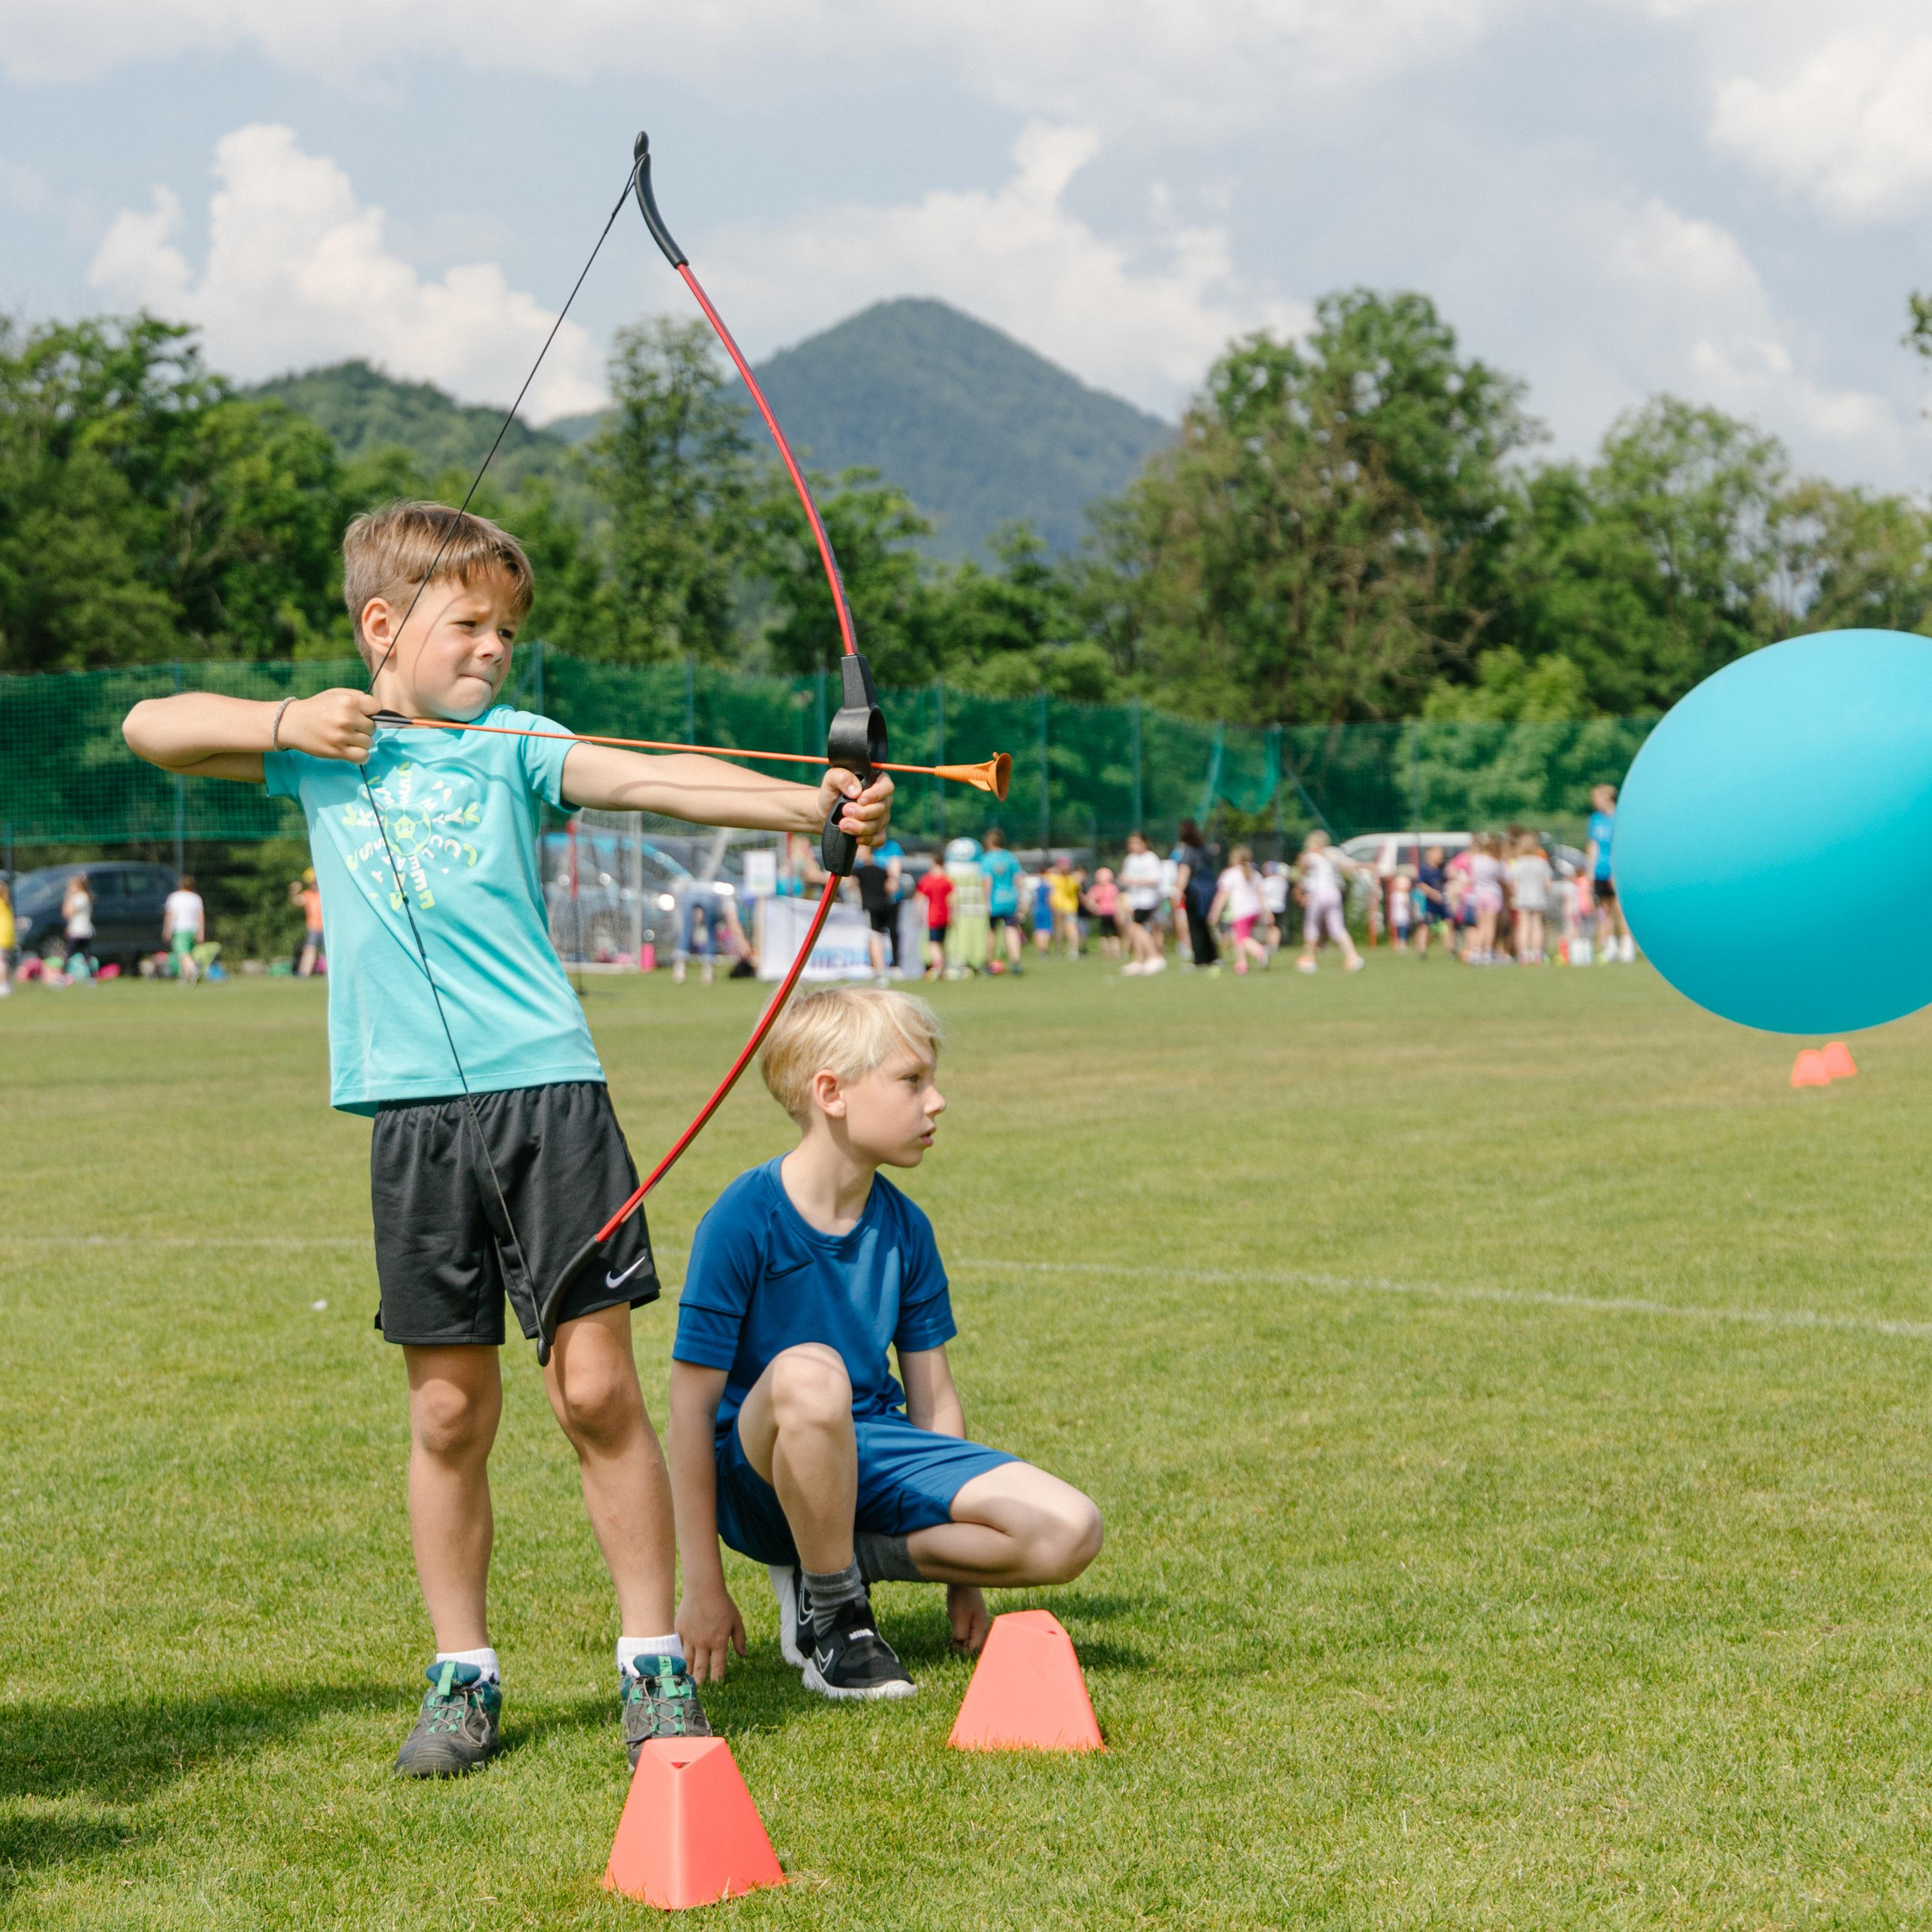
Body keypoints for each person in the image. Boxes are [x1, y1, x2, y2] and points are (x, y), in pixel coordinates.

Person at [119, 499, 894, 1777]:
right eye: (468, 623)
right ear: (384, 623)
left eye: (507, 630)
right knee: (446, 1409)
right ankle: (461, 1675)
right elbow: (152, 727)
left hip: (550, 1096)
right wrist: (282, 723)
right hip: (414, 1116)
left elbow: (652, 777)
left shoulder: (517, 745)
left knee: (595, 1391)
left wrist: (808, 809)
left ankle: (652, 1664)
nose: (493, 649)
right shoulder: (324, 744)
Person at [667, 986, 1103, 1697]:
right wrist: (702, 1587)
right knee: (814, 1377)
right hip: (758, 1477)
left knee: (1072, 1529)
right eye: (912, 1081)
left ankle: (833, 1560)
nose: (936, 1102)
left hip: (870, 1451)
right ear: (831, 1093)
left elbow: (934, 1401)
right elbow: (688, 1415)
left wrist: (967, 1582)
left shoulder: (908, 1228)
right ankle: (836, 1619)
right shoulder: (741, 1219)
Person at [1295, 832, 1363, 974]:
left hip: (1318, 894)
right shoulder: (1331, 855)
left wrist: (1302, 864)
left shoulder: (1312, 856)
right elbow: (1346, 866)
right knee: (1338, 928)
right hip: (1334, 893)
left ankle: (1310, 958)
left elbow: (1303, 867)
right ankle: (1353, 956)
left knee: (1312, 925)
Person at [1586, 783, 1633, 963]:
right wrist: (1590, 871)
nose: (1594, 801)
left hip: (1617, 871)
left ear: (1607, 797)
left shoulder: (1620, 818)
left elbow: (1621, 846)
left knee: (1620, 909)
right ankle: (1610, 945)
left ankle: (1626, 945)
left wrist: (1616, 870)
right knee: (1603, 910)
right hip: (1600, 871)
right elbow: (1593, 845)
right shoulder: (1595, 819)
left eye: (1597, 797)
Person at [1208, 846, 1271, 975]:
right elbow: (1261, 895)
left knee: (1243, 938)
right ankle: (1242, 964)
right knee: (1237, 937)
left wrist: (1215, 912)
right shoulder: (1255, 873)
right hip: (1255, 911)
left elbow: (1223, 895)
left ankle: (1260, 952)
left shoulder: (1231, 874)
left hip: (1241, 912)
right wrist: (1266, 911)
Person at [1172, 819, 1218, 972]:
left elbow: (1185, 871)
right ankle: (1213, 957)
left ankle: (1199, 959)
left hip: (1195, 891)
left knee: (1195, 926)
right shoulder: (1203, 848)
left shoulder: (1188, 850)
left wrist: (1178, 891)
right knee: (1204, 924)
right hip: (1209, 888)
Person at [1118, 831, 1167, 976]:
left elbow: (1156, 879)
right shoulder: (1130, 859)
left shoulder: (1151, 859)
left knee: (1136, 927)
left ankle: (1155, 956)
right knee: (1134, 929)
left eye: (1137, 843)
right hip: (1135, 899)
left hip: (1148, 899)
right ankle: (1139, 960)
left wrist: (1134, 880)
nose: (1134, 846)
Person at [979, 827, 1023, 977]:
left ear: (989, 842)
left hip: (994, 900)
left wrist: (986, 902)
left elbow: (987, 882)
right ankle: (1016, 962)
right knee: (1011, 929)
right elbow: (1018, 879)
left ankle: (989, 963)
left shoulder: (986, 859)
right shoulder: (1011, 857)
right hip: (1010, 899)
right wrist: (1020, 898)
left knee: (991, 931)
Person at [852, 844, 896, 984]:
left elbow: (849, 884)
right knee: (881, 937)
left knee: (874, 937)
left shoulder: (860, 871)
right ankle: (880, 968)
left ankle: (879, 970)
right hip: (885, 906)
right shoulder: (882, 870)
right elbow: (890, 887)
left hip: (871, 908)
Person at [1509, 834, 1553, 964]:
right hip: (1538, 896)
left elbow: (1515, 884)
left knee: (1524, 925)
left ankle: (1524, 954)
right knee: (1537, 925)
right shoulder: (1541, 862)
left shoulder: (1518, 862)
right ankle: (1537, 954)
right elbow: (1547, 883)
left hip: (1523, 897)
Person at [162, 873, 207, 985]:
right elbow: (200, 916)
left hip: (180, 929)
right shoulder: (196, 898)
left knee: (182, 954)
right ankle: (185, 977)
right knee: (188, 954)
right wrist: (201, 932)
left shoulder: (174, 897)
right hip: (193, 929)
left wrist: (167, 930)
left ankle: (193, 971)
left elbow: (170, 915)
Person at [915, 860, 952, 979]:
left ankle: (937, 967)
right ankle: (944, 968)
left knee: (933, 943)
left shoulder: (928, 880)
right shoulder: (947, 880)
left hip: (933, 916)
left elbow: (919, 898)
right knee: (942, 942)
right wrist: (953, 914)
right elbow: (953, 899)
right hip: (945, 915)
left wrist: (917, 915)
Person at [1414, 847, 1449, 958]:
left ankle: (1450, 950)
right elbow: (1421, 884)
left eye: (1441, 853)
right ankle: (1422, 952)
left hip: (1441, 901)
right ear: (1429, 853)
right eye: (1438, 852)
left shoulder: (1441, 869)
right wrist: (1433, 894)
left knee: (1447, 923)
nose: (1440, 856)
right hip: (1428, 902)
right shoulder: (1424, 869)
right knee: (1425, 926)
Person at [1045, 856, 1083, 958]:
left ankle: (1067, 950)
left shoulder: (1057, 878)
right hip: (1063, 907)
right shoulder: (1071, 878)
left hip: (1065, 907)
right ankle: (1066, 950)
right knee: (1062, 929)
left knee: (1066, 929)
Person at [289, 867, 325, 976]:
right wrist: (293, 891)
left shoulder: (324, 894)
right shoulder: (308, 895)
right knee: (309, 950)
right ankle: (304, 973)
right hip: (313, 927)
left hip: (326, 927)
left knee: (329, 951)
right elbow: (296, 902)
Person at [61, 871, 94, 981]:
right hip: (80, 930)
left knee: (69, 953)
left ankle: (62, 975)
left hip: (80, 931)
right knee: (85, 954)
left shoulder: (81, 898)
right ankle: (91, 976)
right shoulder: (81, 897)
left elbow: (68, 913)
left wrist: (67, 897)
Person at [1084, 866, 1121, 961]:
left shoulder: (1098, 888)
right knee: (1110, 934)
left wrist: (1095, 908)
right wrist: (1095, 908)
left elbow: (1089, 900)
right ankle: (1111, 952)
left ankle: (1110, 952)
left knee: (1108, 934)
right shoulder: (1111, 888)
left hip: (1108, 913)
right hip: (1108, 913)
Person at [1387, 871, 1413, 952]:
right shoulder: (1399, 895)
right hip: (1400, 917)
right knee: (1400, 932)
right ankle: (1399, 945)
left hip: (1402, 917)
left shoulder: (1396, 895)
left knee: (1402, 932)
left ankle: (1401, 944)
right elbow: (1406, 904)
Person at [0, 875, 14, 998]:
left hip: (2, 936)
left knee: (1, 962)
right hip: (8, 936)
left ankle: (5, 985)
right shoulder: (6, 903)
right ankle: (6, 983)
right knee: (4, 961)